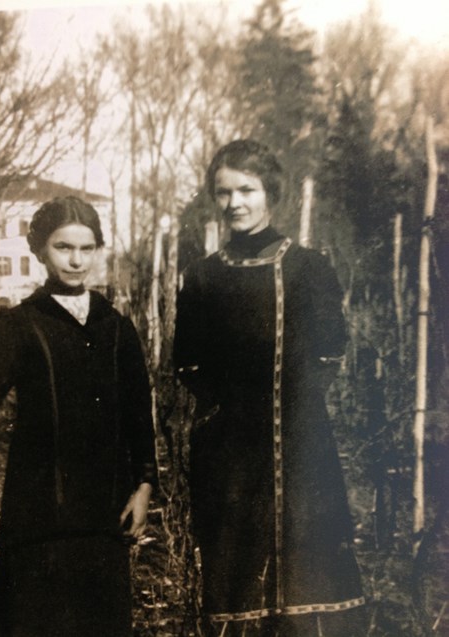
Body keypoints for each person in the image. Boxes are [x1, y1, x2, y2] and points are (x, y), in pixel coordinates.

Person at [174, 140, 366, 636]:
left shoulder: (309, 268)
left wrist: (291, 413)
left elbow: (330, 352)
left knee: (308, 578)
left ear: (270, 194)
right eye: (223, 192)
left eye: (247, 189)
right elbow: (188, 365)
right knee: (238, 582)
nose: (234, 202)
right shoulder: (202, 277)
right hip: (230, 459)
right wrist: (224, 421)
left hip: (301, 454)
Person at [0, 196, 157, 637]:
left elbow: (138, 415)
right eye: (63, 247)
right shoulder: (16, 325)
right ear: (40, 250)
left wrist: (145, 486)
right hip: (39, 516)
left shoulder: (117, 328)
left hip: (104, 515)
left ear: (98, 250)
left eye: (87, 248)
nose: (76, 261)